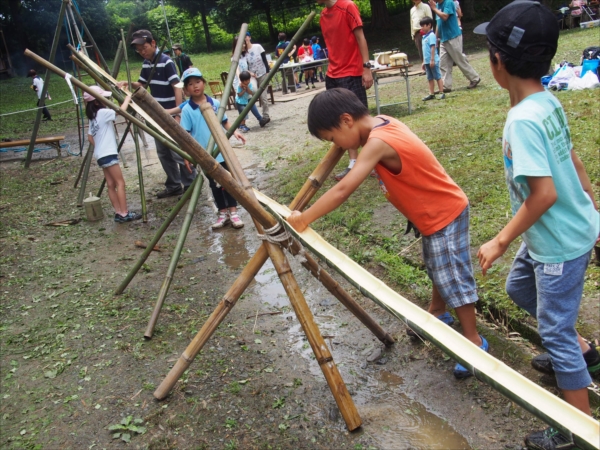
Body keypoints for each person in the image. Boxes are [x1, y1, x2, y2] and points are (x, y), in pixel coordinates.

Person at [287, 88, 487, 379]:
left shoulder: (378, 143)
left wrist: (304, 218)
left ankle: (474, 342)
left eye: (332, 139)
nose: (336, 146)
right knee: (437, 267)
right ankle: (436, 312)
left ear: (346, 120)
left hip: (445, 213)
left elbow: (344, 189)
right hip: (430, 216)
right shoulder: (379, 122)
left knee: (452, 276)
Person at [474, 3, 600, 449]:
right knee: (518, 290)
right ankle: (585, 353)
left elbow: (543, 195)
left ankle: (574, 432)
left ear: (498, 62)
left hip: (558, 243)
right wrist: (592, 206)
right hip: (566, 231)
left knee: (555, 332)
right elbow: (573, 158)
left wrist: (500, 239)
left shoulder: (524, 120)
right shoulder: (546, 101)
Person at [116, 30, 196, 199]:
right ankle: (174, 185)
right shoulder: (147, 63)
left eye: (144, 47)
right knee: (163, 151)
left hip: (169, 112)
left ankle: (190, 184)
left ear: (153, 44)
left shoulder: (166, 62)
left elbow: (177, 86)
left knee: (177, 151)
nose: (142, 52)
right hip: (156, 113)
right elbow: (142, 84)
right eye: (138, 50)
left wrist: (177, 112)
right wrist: (127, 82)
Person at [179, 68, 247, 230]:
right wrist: (186, 156)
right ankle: (222, 213)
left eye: (197, 82)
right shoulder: (187, 110)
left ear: (203, 83)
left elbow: (225, 122)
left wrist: (235, 132)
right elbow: (186, 135)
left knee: (229, 182)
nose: (195, 86)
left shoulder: (215, 104)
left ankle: (233, 211)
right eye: (190, 84)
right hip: (204, 155)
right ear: (186, 89)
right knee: (214, 185)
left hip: (222, 152)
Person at [317, 0, 374, 181]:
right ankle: (353, 163)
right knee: (340, 119)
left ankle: (373, 160)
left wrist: (366, 68)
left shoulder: (347, 6)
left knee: (358, 117)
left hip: (351, 72)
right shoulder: (323, 15)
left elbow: (360, 38)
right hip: (333, 74)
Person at [84, 86, 141, 223]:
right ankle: (124, 213)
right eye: (103, 97)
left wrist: (100, 146)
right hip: (108, 153)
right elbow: (120, 111)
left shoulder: (92, 117)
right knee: (120, 183)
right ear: (97, 102)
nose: (106, 100)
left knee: (110, 184)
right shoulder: (103, 112)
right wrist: (127, 98)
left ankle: (118, 212)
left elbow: (90, 138)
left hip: (100, 154)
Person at [428, 0, 480, 92]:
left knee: (459, 59)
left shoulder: (448, 2)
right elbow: (438, 23)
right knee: (443, 63)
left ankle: (474, 78)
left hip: (453, 36)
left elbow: (445, 16)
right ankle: (445, 86)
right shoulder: (437, 6)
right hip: (444, 39)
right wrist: (435, 38)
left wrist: (434, 9)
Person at [244, 32, 270, 127]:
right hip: (252, 75)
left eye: (246, 36)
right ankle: (257, 114)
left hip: (262, 73)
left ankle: (265, 116)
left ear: (250, 37)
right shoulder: (243, 51)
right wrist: (250, 73)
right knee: (254, 91)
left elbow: (264, 59)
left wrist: (267, 71)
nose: (245, 39)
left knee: (263, 96)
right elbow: (244, 65)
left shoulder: (257, 46)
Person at [420, 17, 445, 101]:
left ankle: (441, 92)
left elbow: (433, 48)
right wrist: (424, 61)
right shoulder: (424, 37)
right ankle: (431, 93)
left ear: (429, 25)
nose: (422, 28)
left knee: (437, 76)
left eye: (423, 26)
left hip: (433, 60)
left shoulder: (431, 35)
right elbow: (424, 51)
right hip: (427, 61)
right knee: (429, 78)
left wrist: (432, 59)